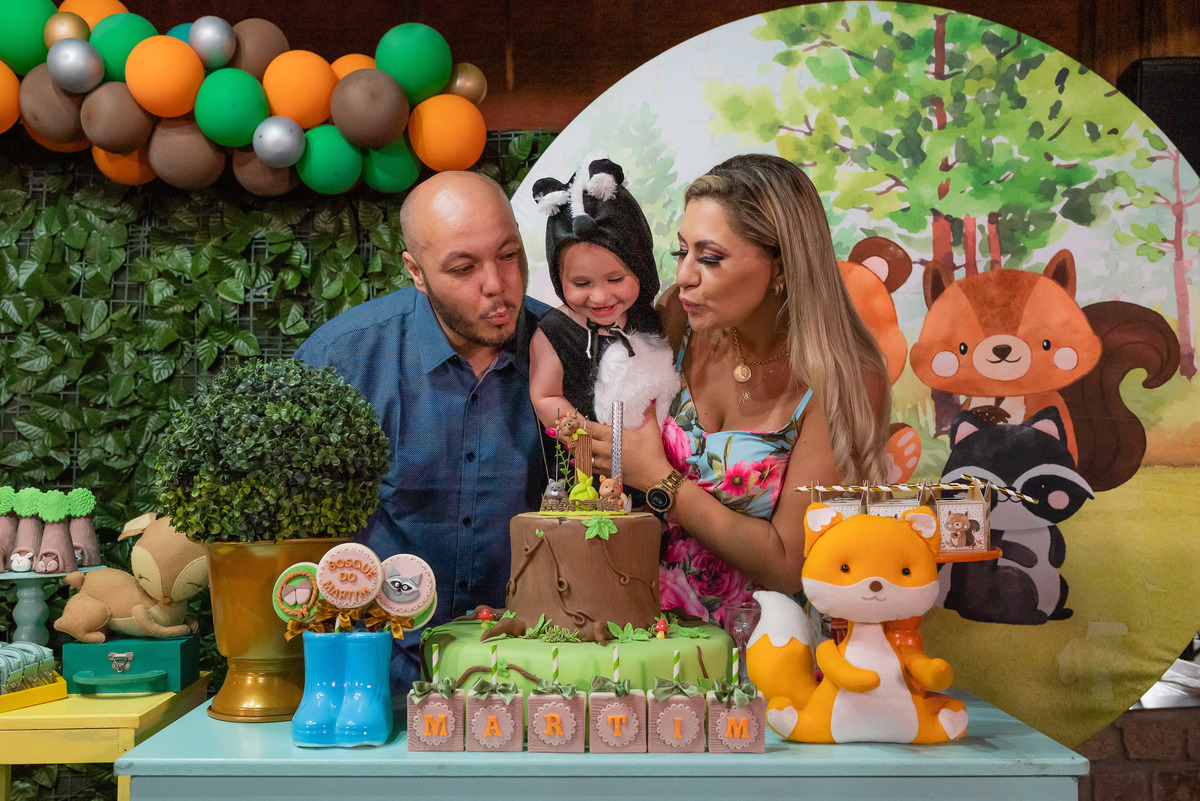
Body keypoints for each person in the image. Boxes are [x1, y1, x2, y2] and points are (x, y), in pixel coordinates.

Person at [294, 171, 549, 694]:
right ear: (415, 271)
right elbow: (285, 538)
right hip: (374, 685)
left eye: (508, 254)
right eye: (463, 267)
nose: (497, 284)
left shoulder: (570, 355)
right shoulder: (341, 361)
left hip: (533, 682)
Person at [612, 153, 891, 625]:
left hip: (768, 652)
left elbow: (787, 565)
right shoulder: (680, 320)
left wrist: (661, 481)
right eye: (683, 252)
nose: (684, 277)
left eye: (711, 258)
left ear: (781, 267)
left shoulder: (845, 378)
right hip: (652, 641)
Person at [528, 157, 665, 436]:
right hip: (591, 465)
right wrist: (595, 442)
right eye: (581, 283)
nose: (600, 297)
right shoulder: (554, 332)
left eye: (615, 279)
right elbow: (546, 396)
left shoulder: (647, 316)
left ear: (641, 268)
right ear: (559, 278)